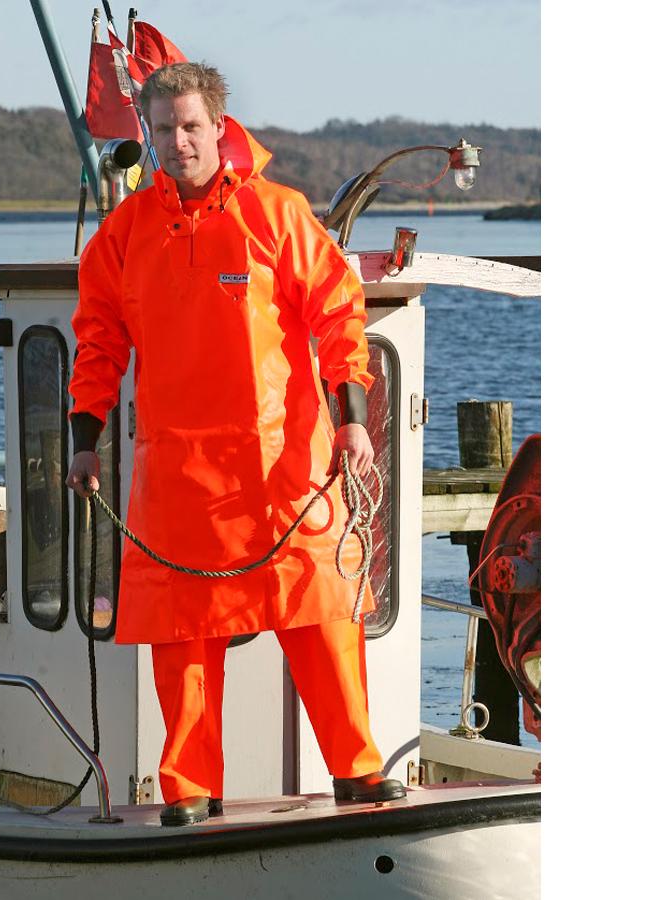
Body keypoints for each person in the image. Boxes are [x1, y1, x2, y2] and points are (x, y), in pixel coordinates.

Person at [67, 62, 404, 826]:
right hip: (177, 474)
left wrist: (351, 416)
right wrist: (84, 442)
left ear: (220, 128)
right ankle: (188, 789)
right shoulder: (123, 235)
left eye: (190, 126)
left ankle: (358, 771)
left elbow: (338, 317)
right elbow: (97, 345)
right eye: (163, 129)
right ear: (149, 136)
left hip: (287, 470)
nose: (177, 142)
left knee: (322, 617)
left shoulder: (279, 215)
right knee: (184, 635)